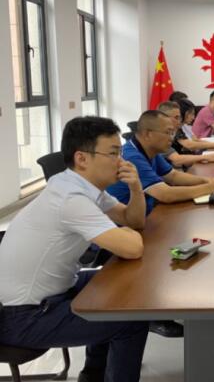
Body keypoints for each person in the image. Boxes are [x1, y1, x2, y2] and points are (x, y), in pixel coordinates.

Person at [0, 116, 148, 382]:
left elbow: (133, 221)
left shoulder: (78, 185)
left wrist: (136, 188)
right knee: (131, 320)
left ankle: (93, 374)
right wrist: (126, 234)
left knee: (114, 282)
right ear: (82, 159)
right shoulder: (71, 197)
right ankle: (96, 373)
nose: (121, 161)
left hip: (50, 293)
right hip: (21, 316)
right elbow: (132, 248)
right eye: (113, 153)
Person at [107, 110, 214, 215]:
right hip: (126, 226)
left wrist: (207, 180)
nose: (171, 138)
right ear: (148, 134)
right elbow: (165, 194)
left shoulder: (150, 150)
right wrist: (209, 188)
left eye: (172, 133)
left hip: (147, 214)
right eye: (168, 132)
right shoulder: (132, 156)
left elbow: (173, 176)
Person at [157, 101, 214, 167]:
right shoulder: (160, 137)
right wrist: (206, 157)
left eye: (179, 117)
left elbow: (177, 162)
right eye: (176, 117)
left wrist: (199, 159)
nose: (179, 121)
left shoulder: (171, 133)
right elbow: (177, 160)